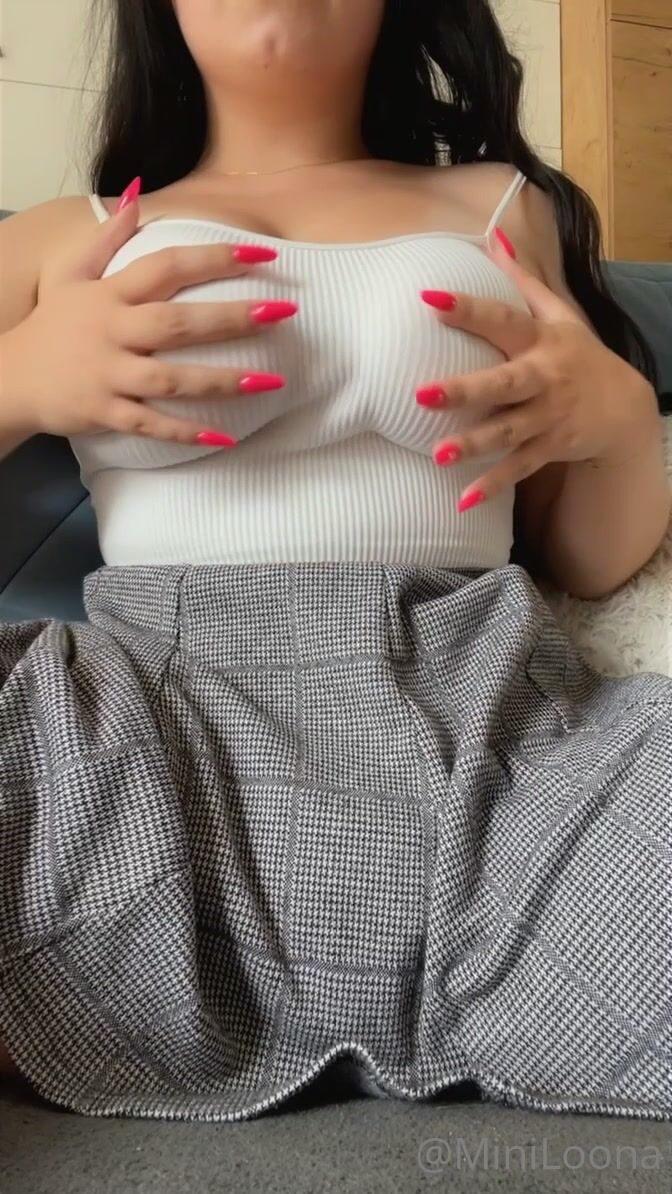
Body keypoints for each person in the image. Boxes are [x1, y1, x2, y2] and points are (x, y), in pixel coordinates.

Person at [0, 0, 670, 1125]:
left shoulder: (507, 207)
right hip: (139, 744)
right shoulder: (57, 235)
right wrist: (20, 380)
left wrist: (626, 425)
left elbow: (587, 562)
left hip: (493, 737)